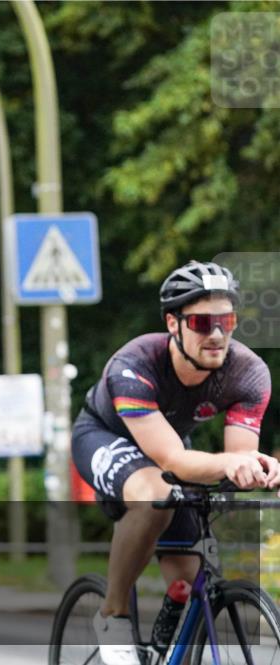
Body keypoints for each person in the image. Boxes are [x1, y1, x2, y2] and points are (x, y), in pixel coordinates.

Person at [70, 260, 278, 665]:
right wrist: (230, 464)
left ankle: (166, 647)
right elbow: (173, 459)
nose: (217, 335)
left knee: (187, 580)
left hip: (169, 445)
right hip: (106, 435)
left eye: (227, 321)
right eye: (202, 323)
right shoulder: (135, 363)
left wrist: (259, 469)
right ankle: (112, 614)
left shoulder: (249, 374)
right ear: (173, 323)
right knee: (155, 494)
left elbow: (236, 459)